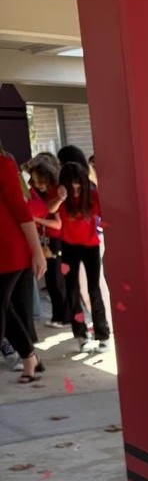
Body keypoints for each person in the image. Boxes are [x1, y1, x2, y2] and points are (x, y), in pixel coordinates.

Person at [52, 162, 110, 352]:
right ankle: (81, 334)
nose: (75, 188)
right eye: (71, 184)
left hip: (91, 247)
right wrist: (60, 198)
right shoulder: (60, 196)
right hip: (68, 247)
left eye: (78, 183)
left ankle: (103, 334)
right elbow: (50, 210)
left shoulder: (92, 196)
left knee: (94, 290)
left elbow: (107, 213)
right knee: (72, 291)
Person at [0, 151, 47, 382]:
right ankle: (30, 358)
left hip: (8, 250)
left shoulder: (4, 163)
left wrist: (37, 251)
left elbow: (20, 207)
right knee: (5, 310)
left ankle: (29, 357)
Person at [26, 156, 68, 327]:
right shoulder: (44, 194)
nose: (39, 185)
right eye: (36, 182)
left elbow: (57, 223)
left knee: (56, 282)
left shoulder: (55, 193)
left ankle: (63, 317)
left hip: (55, 240)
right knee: (51, 282)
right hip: (47, 240)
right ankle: (58, 317)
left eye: (41, 181)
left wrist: (35, 219)